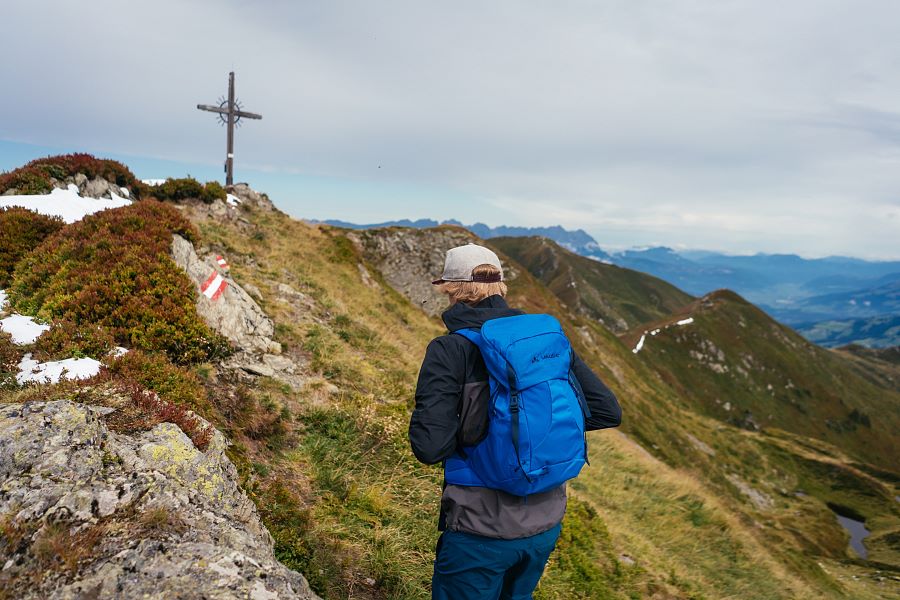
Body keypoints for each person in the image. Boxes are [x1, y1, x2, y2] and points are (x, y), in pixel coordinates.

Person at [409, 243, 622, 600]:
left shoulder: (451, 350)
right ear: (500, 286)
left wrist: (481, 440)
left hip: (481, 530)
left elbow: (430, 447)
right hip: (545, 524)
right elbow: (606, 411)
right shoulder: (545, 339)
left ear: (450, 288)